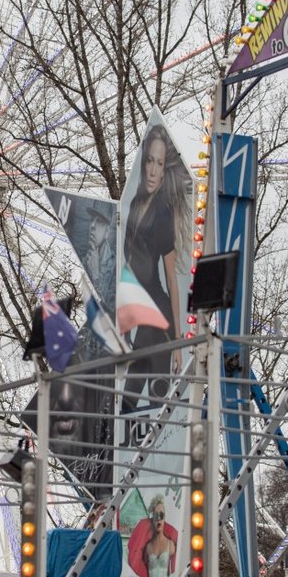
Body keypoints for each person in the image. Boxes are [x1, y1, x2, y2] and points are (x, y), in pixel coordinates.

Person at [121, 122, 192, 418]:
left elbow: (173, 283)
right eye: (149, 160)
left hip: (160, 320)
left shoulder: (162, 215)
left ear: (164, 171)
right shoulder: (133, 205)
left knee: (152, 404)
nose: (152, 170)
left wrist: (178, 344)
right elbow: (126, 271)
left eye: (159, 163)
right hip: (142, 317)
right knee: (130, 401)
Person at [126, 494, 178, 577]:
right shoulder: (148, 547)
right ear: (152, 518)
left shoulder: (171, 544)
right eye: (156, 515)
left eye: (161, 515)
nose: (159, 519)